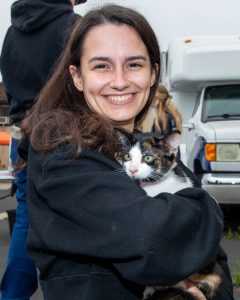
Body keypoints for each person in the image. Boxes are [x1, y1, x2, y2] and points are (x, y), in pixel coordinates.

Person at [20, 4, 233, 300]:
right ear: (77, 76)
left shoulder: (131, 144)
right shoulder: (61, 146)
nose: (120, 80)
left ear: (153, 73)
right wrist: (207, 207)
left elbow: (216, 267)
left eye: (134, 64)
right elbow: (152, 240)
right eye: (101, 66)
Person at [0, 0, 86, 299]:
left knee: (26, 221)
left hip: (26, 141)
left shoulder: (11, 33)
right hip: (69, 139)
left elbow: (11, 89)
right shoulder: (73, 27)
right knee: (80, 223)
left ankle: (11, 296)